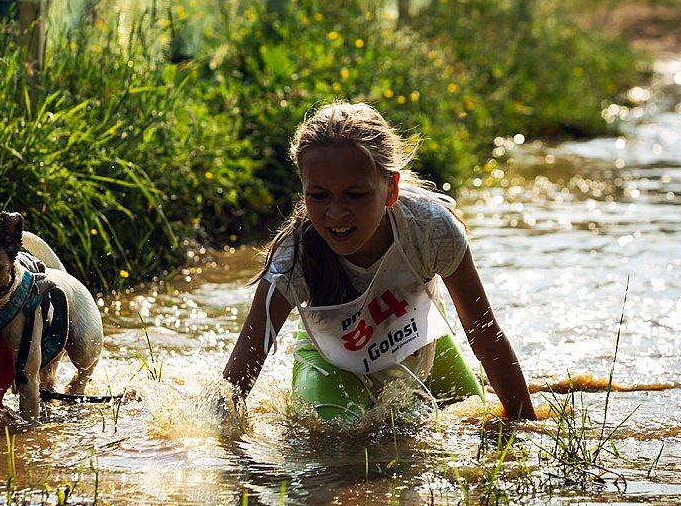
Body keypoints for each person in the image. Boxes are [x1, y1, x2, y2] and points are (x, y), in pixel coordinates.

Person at [222, 101, 537, 423]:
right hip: (333, 359)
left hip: (420, 339)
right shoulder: (292, 260)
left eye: (354, 195)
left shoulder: (433, 231)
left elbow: (484, 332)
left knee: (470, 415)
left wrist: (525, 425)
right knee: (333, 435)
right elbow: (242, 366)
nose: (335, 213)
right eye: (318, 195)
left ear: (390, 189)